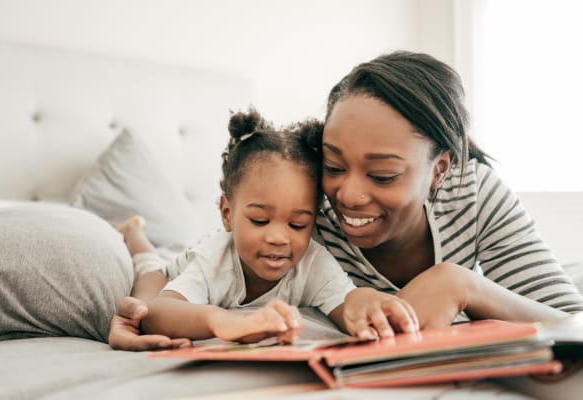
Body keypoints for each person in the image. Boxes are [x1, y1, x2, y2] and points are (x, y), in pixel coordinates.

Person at [108, 51, 583, 351]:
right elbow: (208, 273)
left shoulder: (475, 193)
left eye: (382, 174)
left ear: (441, 169)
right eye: (334, 166)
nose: (347, 195)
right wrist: (142, 310)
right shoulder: (301, 213)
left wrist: (464, 285)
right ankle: (135, 235)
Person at [111, 109, 419, 348]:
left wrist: (369, 302)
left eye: (298, 224)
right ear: (228, 214)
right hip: (172, 271)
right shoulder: (213, 259)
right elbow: (160, 312)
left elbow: (346, 301)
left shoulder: (314, 263)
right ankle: (134, 232)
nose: (277, 238)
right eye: (260, 220)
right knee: (148, 279)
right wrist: (222, 321)